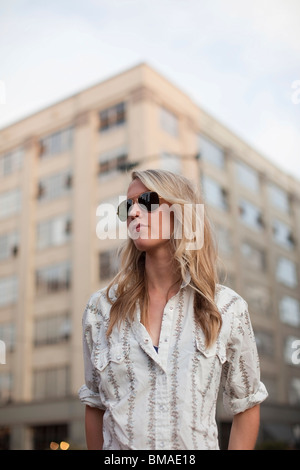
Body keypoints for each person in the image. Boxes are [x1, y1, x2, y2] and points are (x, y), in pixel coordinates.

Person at [78, 168, 268, 450]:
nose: (132, 213)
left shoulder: (227, 308)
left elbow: (247, 404)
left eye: (147, 201)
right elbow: (95, 404)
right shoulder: (100, 308)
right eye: (127, 206)